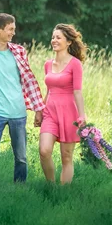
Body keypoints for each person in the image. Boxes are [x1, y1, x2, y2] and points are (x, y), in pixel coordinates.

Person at [0, 13, 45, 182]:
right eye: (10, 29)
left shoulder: (19, 52)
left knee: (21, 156)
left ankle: (19, 187)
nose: (13, 33)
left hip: (17, 112)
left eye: (14, 29)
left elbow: (29, 82)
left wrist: (38, 109)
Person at [39, 23, 87, 184]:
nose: (54, 40)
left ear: (68, 42)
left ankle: (63, 193)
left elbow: (77, 92)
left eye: (58, 37)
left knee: (66, 157)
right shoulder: (47, 64)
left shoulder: (75, 64)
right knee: (44, 151)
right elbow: (48, 91)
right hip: (50, 113)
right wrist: (40, 111)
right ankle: (51, 186)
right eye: (53, 37)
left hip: (68, 114)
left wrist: (82, 116)